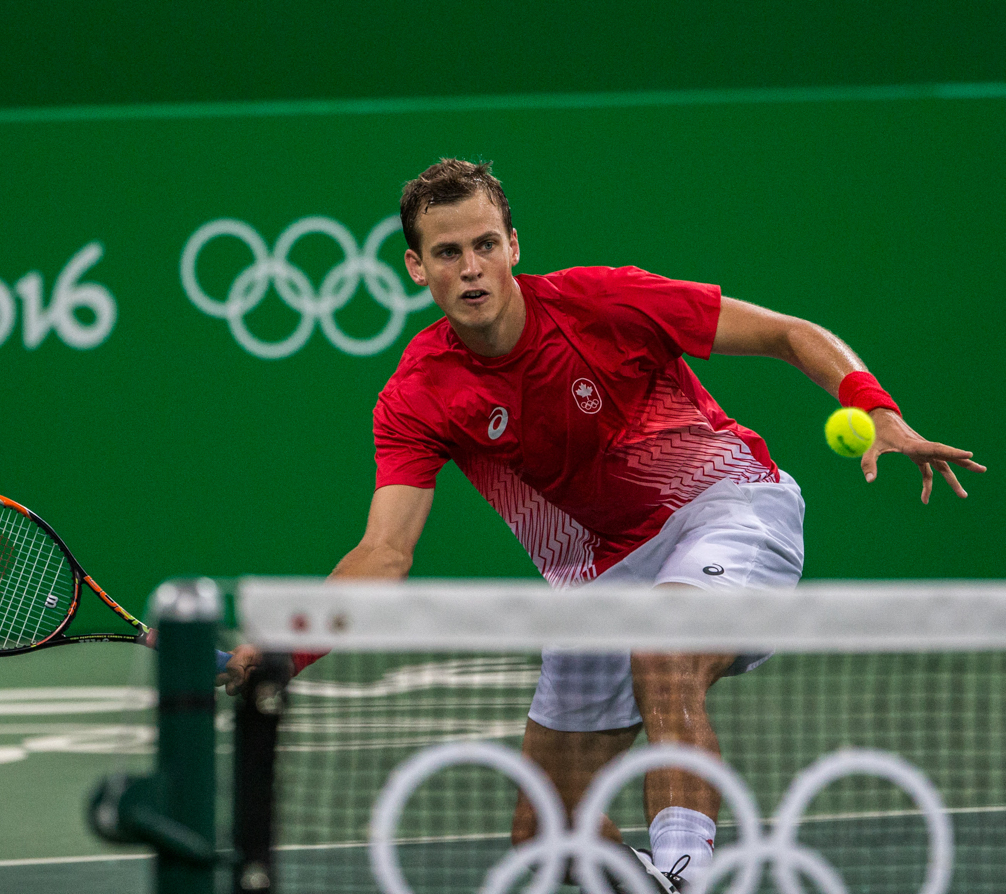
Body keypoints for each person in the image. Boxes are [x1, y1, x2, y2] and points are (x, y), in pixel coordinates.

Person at [221, 159, 985, 890]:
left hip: (728, 509)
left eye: (486, 244)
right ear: (417, 267)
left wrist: (877, 409)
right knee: (549, 836)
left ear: (514, 246)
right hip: (598, 579)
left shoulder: (605, 304)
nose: (473, 266)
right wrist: (285, 653)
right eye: (448, 252)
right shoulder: (419, 393)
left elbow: (786, 333)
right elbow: (383, 552)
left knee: (663, 643)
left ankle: (687, 875)